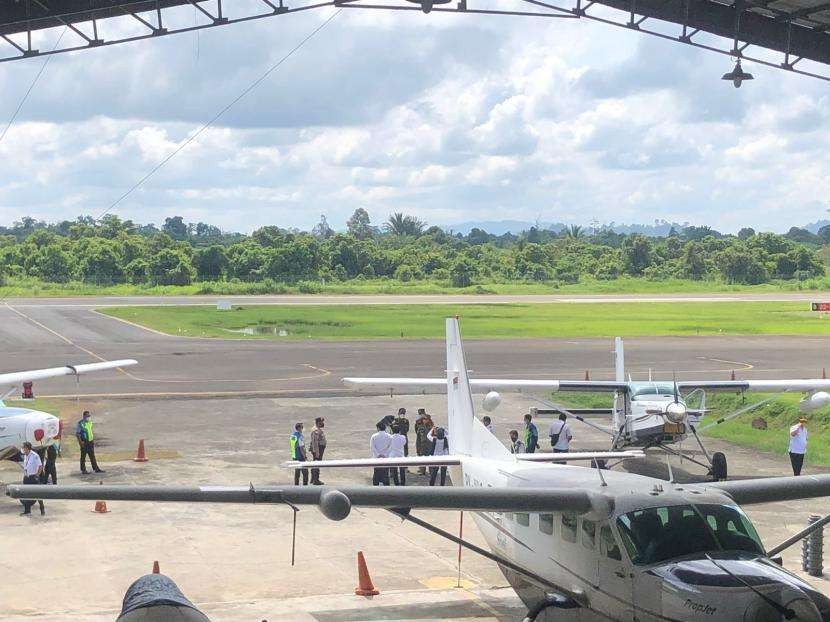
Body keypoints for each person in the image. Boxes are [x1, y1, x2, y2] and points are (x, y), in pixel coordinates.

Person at [20, 442, 44, 516]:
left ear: (27, 448)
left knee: (37, 493)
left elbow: (40, 466)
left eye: (24, 447)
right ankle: (27, 511)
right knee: (26, 494)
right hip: (26, 477)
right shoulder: (25, 456)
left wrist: (37, 475)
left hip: (33, 477)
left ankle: (42, 508)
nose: (23, 449)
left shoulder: (35, 456)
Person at [414, 409, 435, 475]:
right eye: (423, 419)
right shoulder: (420, 427)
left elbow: (434, 438)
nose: (424, 420)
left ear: (428, 420)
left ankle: (431, 471)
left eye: (426, 419)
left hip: (430, 445)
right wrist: (418, 447)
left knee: (430, 459)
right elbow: (418, 439)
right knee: (422, 458)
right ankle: (422, 471)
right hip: (423, 445)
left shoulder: (432, 427)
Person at [309, 417, 326, 485]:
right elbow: (315, 442)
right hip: (318, 449)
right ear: (318, 422)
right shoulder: (315, 430)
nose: (323, 423)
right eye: (322, 422)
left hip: (319, 449)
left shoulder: (318, 429)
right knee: (317, 464)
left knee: (315, 464)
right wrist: (317, 452)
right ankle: (316, 480)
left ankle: (313, 479)